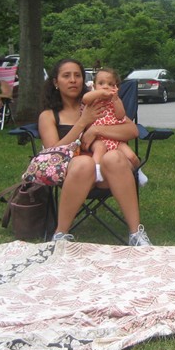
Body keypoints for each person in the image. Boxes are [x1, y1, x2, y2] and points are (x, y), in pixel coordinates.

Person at [38, 58, 151, 246]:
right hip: (76, 175)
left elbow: (132, 130)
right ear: (56, 82)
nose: (73, 80)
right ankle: (60, 234)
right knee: (84, 163)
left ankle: (136, 234)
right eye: (66, 76)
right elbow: (52, 153)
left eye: (77, 75)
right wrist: (83, 122)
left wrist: (96, 130)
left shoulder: (98, 103)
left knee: (114, 157)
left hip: (108, 173)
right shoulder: (49, 115)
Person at [81, 67, 148, 186]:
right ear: (94, 86)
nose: (105, 87)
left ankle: (138, 172)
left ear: (116, 88)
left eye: (110, 84)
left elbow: (120, 115)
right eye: (101, 83)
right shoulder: (92, 99)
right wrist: (99, 93)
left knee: (132, 156)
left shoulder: (115, 101)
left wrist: (116, 99)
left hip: (115, 139)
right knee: (99, 149)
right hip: (98, 140)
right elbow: (85, 99)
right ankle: (96, 172)